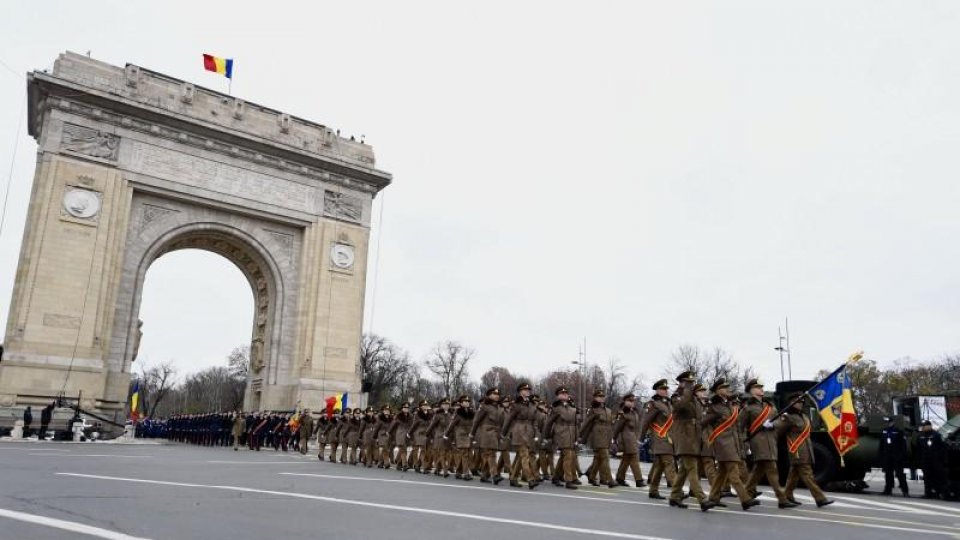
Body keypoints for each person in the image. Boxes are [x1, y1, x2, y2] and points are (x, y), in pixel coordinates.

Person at [740, 379, 797, 508]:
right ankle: (782, 499)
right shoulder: (748, 407)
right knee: (772, 468)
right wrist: (745, 443)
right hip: (758, 440)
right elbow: (741, 427)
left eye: (761, 387)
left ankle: (746, 495)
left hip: (771, 439)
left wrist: (773, 424)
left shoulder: (770, 406)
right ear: (751, 391)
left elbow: (778, 421)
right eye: (758, 387)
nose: (761, 389)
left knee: (758, 470)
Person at [704, 378, 758, 510]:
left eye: (728, 388)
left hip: (732, 444)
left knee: (722, 474)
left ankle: (712, 499)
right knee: (734, 473)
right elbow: (702, 423)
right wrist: (710, 439)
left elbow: (736, 427)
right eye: (724, 388)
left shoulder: (728, 405)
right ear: (718, 391)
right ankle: (745, 499)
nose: (728, 390)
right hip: (722, 444)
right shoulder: (713, 407)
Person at [668, 372, 713, 511]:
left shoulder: (693, 399)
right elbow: (680, 406)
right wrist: (686, 390)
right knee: (692, 469)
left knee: (683, 471)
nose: (692, 385)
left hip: (694, 438)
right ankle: (702, 499)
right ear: (681, 383)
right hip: (685, 439)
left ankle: (674, 497)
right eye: (689, 383)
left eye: (692, 383)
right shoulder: (677, 397)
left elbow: (700, 420)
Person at [781, 393, 834, 507]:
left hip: (806, 450)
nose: (800, 404)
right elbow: (777, 430)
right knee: (808, 476)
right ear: (791, 403)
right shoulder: (788, 417)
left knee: (793, 475)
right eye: (798, 402)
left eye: (801, 402)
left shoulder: (804, 416)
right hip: (797, 450)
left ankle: (786, 496)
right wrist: (771, 425)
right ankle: (820, 498)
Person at [639, 379, 677, 500]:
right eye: (663, 389)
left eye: (666, 389)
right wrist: (641, 438)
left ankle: (653, 490)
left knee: (659, 467)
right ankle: (678, 491)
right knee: (669, 464)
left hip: (668, 439)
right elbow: (645, 422)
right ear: (657, 390)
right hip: (659, 438)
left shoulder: (668, 404)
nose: (666, 391)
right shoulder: (653, 404)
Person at [502, 383, 539, 489]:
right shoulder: (516, 404)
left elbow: (535, 421)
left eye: (528, 390)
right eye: (525, 390)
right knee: (524, 456)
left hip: (529, 432)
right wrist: (503, 433)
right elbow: (509, 419)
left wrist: (536, 433)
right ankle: (530, 479)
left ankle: (513, 478)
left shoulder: (532, 405)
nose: (527, 391)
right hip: (519, 431)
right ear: (520, 392)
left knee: (520, 457)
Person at [543, 386, 579, 490]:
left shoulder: (572, 408)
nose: (565, 395)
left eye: (566, 393)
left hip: (571, 435)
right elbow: (549, 423)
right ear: (558, 396)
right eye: (562, 394)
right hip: (561, 434)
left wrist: (577, 437)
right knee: (568, 455)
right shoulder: (556, 408)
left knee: (565, 457)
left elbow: (575, 424)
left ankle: (556, 477)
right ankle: (569, 480)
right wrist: (546, 436)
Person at [580, 389, 616, 488]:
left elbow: (611, 425)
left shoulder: (608, 410)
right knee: (605, 457)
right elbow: (586, 424)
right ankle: (610, 480)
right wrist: (580, 436)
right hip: (598, 436)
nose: (601, 398)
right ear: (595, 398)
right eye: (599, 397)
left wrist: (612, 437)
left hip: (607, 436)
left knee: (598, 459)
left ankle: (591, 476)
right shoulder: (593, 410)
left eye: (602, 397)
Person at [471, 387, 505, 484]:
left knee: (489, 455)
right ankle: (495, 475)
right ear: (489, 395)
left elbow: (501, 422)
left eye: (498, 394)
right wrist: (472, 433)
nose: (496, 396)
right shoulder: (484, 406)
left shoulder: (499, 407)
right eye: (494, 394)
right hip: (486, 432)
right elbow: (476, 421)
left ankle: (484, 476)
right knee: (491, 454)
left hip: (495, 433)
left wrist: (501, 434)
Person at [612, 393, 644, 487]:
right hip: (625, 438)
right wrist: (614, 439)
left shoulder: (634, 412)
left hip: (633, 438)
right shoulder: (622, 413)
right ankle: (639, 480)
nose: (632, 403)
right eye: (630, 401)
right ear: (625, 401)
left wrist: (638, 437)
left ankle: (620, 478)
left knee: (626, 459)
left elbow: (637, 426)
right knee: (634, 458)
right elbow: (618, 428)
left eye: (633, 401)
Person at [444, 395, 475, 480]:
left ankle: (458, 472)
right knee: (465, 453)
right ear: (461, 403)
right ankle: (466, 473)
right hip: (461, 435)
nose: (467, 403)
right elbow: (452, 424)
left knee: (466, 453)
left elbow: (473, 425)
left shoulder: (471, 412)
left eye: (468, 401)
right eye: (465, 401)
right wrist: (446, 434)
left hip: (468, 435)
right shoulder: (458, 413)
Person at [916, 420, 948, 499]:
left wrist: (942, 459)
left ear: (929, 426)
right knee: (927, 477)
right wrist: (919, 460)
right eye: (923, 426)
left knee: (938, 477)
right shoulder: (920, 436)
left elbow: (942, 448)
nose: (923, 427)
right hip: (925, 460)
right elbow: (918, 449)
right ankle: (928, 493)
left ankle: (940, 493)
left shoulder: (936, 435)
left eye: (924, 426)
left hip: (936, 460)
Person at [879, 416, 910, 497]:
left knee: (900, 474)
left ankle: (905, 491)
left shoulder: (898, 431)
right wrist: (881, 455)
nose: (887, 424)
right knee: (888, 474)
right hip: (887, 456)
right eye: (886, 422)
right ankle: (888, 489)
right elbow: (882, 444)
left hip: (896, 456)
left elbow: (903, 445)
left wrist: (901, 456)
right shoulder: (884, 431)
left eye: (888, 422)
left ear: (892, 422)